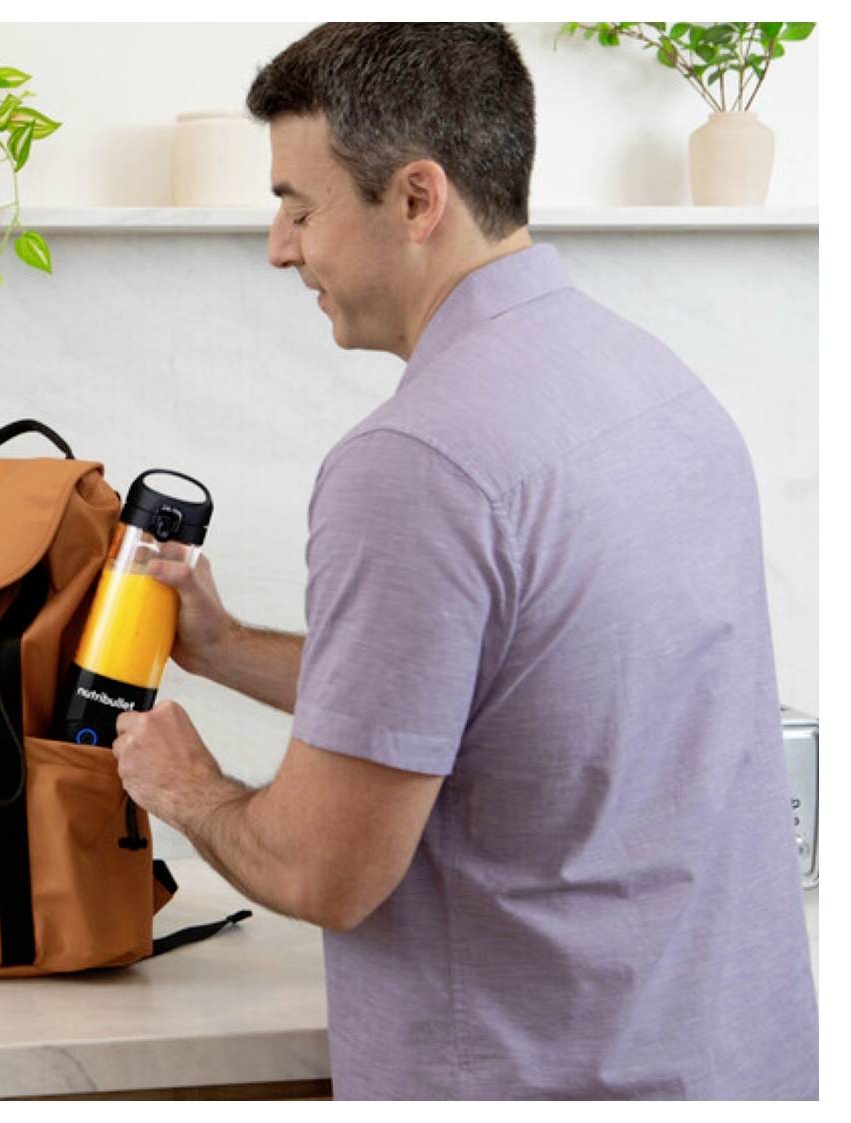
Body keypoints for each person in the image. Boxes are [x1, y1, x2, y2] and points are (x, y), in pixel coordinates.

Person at [111, 23, 818, 1100]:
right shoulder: (659, 386)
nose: (279, 245)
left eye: (300, 205)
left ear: (415, 198)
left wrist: (187, 788)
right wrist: (223, 646)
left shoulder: (412, 463)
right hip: (731, 1061)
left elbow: (322, 870)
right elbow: (502, 694)